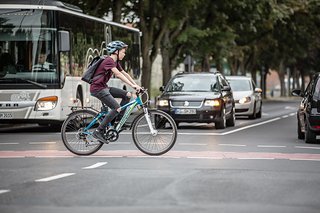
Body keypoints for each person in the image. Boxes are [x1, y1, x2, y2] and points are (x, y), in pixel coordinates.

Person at [91, 40, 142, 143]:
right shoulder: (109, 61)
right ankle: (98, 131)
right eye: (123, 52)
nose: (124, 54)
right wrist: (132, 85)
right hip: (98, 89)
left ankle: (118, 121)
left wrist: (135, 85)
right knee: (116, 107)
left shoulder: (115, 62)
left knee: (127, 95)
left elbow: (125, 73)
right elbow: (118, 75)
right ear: (116, 52)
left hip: (104, 87)